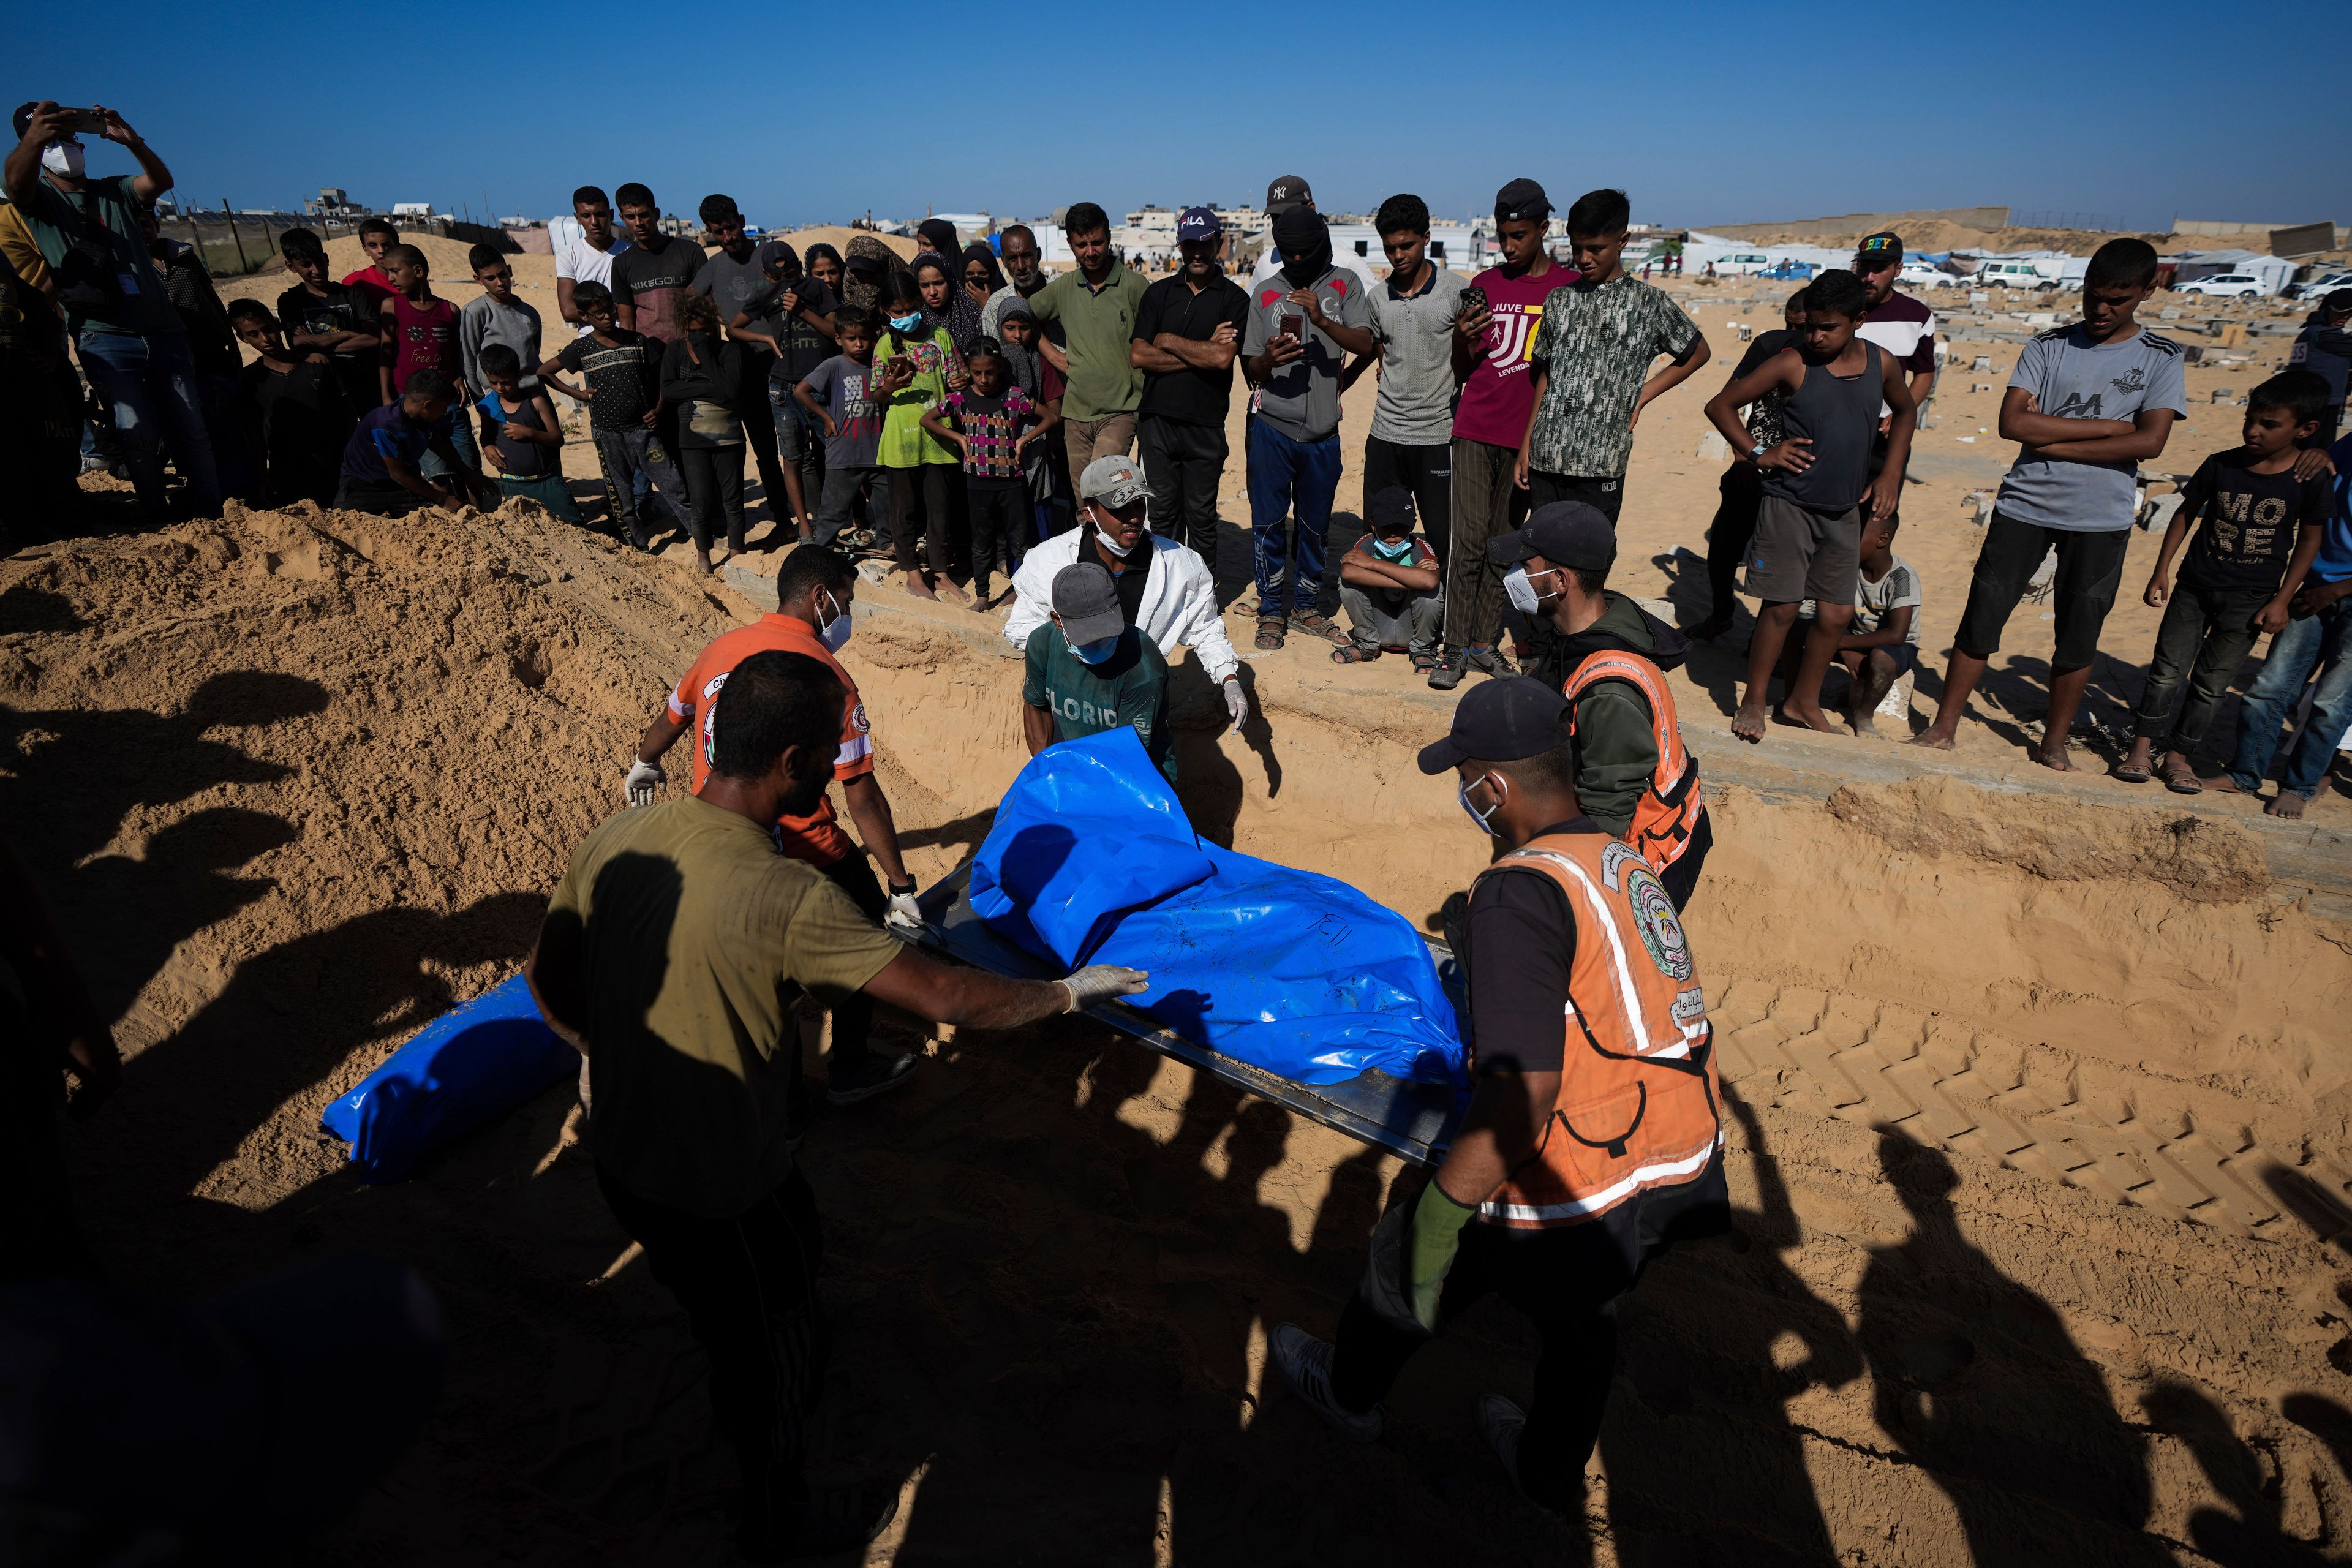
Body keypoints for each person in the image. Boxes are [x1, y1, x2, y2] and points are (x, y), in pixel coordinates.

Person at [529, 646, 1148, 1560]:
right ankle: (777, 1518)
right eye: (828, 749)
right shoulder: (787, 895)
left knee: (776, 1256)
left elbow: (551, 979)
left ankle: (759, 1346)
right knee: (763, 1360)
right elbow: (947, 999)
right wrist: (1066, 995)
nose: (836, 763)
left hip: (625, 1160)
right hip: (716, 1188)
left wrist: (604, 1057)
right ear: (789, 765)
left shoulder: (617, 838)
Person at [1271, 674, 1726, 1518]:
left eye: (1465, 776)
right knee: (1587, 1321)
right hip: (1679, 1150)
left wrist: (1446, 1208)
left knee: (1409, 1247)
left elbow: (1526, 1090)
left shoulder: (1517, 890)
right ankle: (1548, 1467)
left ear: (1494, 786)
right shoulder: (1618, 857)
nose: (1465, 794)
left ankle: (1349, 1391)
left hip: (1584, 1169)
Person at [1913, 239, 2186, 769]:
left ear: (2149, 291)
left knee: (2078, 633)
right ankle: (1945, 725)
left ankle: (2053, 742)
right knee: (1982, 616)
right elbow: (2013, 424)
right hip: (2026, 505)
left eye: (2118, 299)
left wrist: (2051, 437)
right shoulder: (2049, 346)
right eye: (2093, 296)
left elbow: (2150, 443)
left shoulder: (2161, 358)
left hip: (2101, 516)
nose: (2101, 310)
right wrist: (2112, 427)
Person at [1705, 270, 1916, 741]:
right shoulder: (1791, 363)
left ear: (1858, 320)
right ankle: (1755, 701)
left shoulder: (1880, 365)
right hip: (1788, 505)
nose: (1815, 336)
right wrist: (1761, 453)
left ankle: (1802, 701)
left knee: (1837, 614)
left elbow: (1905, 411)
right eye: (1809, 327)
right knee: (1780, 608)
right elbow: (1721, 405)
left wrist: (1890, 473)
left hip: (1843, 511)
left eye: (1828, 328)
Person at [6, 100, 221, 522]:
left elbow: (159, 181)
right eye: (55, 138)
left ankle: (212, 512)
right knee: (135, 432)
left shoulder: (114, 190)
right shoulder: (39, 201)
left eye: (71, 137)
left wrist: (132, 142)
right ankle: (157, 516)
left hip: (162, 329)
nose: (66, 146)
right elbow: (17, 185)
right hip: (103, 335)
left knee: (191, 428)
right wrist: (35, 138)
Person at [2117, 371, 2328, 791]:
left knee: (2212, 685)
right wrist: (2162, 569)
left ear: (2305, 430)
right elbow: (2185, 513)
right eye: (2250, 419)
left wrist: (2283, 600)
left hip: (2251, 598)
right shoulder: (2221, 463)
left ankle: (2179, 755)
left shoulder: (2309, 479)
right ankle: (2141, 749)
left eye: (2270, 425)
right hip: (2193, 587)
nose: (2254, 430)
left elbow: (2309, 540)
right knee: (2166, 672)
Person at [1502, 501, 1713, 907]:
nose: (1516, 577)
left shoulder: (1610, 692)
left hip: (1644, 862)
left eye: (1527, 568)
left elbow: (1607, 824)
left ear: (1559, 581)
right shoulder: (1589, 623)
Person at [1003, 454, 1252, 733]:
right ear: (1090, 512)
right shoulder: (1048, 563)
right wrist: (1073, 654)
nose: (1134, 517)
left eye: (1139, 504)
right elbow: (1023, 628)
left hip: (1139, 705)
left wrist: (1229, 678)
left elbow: (1205, 629)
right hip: (1072, 705)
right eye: (1119, 509)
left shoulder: (1183, 565)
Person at [1433, 178, 1565, 690]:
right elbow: (1462, 369)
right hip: (1474, 429)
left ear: (1542, 230)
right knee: (1465, 541)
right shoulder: (1486, 283)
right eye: (1503, 236)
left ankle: (1484, 643)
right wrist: (1461, 341)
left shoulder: (1565, 289)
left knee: (1501, 544)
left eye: (1519, 236)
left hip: (1525, 439)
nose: (1508, 247)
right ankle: (1452, 649)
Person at [1513, 189, 1709, 525]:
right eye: (1577, 249)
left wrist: (1643, 395)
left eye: (1596, 249)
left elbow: (1698, 352)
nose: (1584, 258)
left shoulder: (1648, 302)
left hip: (1602, 461)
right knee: (1544, 558)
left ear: (1623, 241)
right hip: (1546, 458)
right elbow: (1545, 373)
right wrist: (1527, 442)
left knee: (1587, 563)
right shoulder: (1560, 300)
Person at [1241, 207, 1376, 652]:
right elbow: (1249, 367)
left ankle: (1305, 606)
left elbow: (1365, 343)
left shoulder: (1346, 284)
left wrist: (1321, 320)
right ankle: (1270, 609)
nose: (1298, 261)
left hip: (1322, 433)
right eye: (1289, 254)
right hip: (1272, 429)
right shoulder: (1263, 293)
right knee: (1268, 524)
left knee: (1315, 526)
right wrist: (1269, 360)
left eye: (1306, 253)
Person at [2215, 423, 2352, 818]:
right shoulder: (2349, 445)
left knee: (2331, 704)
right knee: (2269, 688)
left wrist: (2338, 590)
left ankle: (2299, 786)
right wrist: (2322, 454)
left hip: (2333, 592)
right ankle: (2245, 773)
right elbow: (2318, 470)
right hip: (2314, 586)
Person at [1351, 194, 1467, 586]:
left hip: (1438, 436)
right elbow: (1379, 345)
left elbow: (1470, 362)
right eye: (1390, 247)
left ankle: (1440, 618)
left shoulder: (1456, 292)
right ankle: (1385, 620)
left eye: (1407, 245)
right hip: (1385, 435)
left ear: (1427, 238)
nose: (1398, 255)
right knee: (1380, 536)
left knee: (1441, 538)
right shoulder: (1377, 297)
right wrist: (1349, 377)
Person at [1130, 206, 1249, 567]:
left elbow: (1222, 360)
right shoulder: (1159, 294)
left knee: (1201, 519)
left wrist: (1167, 339)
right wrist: (1202, 348)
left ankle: (1203, 593)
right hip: (1157, 423)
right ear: (1180, 247)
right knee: (1162, 516)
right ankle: (1164, 588)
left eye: (1206, 245)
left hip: (1205, 425)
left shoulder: (1234, 299)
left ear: (1220, 245)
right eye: (1190, 246)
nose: (1198, 253)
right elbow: (1138, 356)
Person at [1690, 291, 1808, 643]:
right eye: (1790, 323)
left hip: (1800, 476)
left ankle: (1767, 637)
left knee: (1783, 561)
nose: (1795, 333)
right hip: (1753, 465)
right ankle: (1722, 614)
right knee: (1724, 548)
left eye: (1801, 326)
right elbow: (1729, 400)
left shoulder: (1833, 357)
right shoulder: (1770, 347)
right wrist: (1745, 457)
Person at [538, 279, 687, 549]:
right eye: (599, 313)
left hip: (643, 431)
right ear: (583, 316)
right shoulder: (581, 348)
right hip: (608, 435)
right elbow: (544, 372)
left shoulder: (637, 341)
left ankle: (698, 536)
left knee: (674, 484)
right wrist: (578, 395)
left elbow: (661, 378)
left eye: (610, 310)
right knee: (621, 497)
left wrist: (659, 409)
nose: (608, 317)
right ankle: (639, 547)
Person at [922, 334, 1054, 607]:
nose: (984, 379)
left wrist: (1024, 439)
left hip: (1011, 481)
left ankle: (1023, 592)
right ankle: (983, 595)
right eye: (977, 373)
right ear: (969, 371)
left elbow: (1052, 416)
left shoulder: (1014, 396)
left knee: (1020, 542)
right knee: (981, 541)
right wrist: (958, 438)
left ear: (1000, 369)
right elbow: (927, 420)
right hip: (977, 482)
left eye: (990, 372)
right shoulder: (960, 399)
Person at [136, 200, 252, 502]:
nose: (142, 231)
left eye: (146, 224)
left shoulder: (184, 256)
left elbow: (211, 297)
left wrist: (231, 342)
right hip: (174, 357)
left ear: (157, 226)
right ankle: (202, 487)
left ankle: (239, 486)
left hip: (212, 349)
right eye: (134, 226)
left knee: (227, 414)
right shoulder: (130, 266)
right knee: (193, 422)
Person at [692, 195, 794, 527]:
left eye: (732, 228)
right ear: (709, 232)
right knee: (765, 450)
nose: (728, 237)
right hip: (747, 371)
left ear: (742, 220)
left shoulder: (770, 253)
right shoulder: (713, 267)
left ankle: (816, 515)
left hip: (789, 364)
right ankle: (782, 519)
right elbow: (687, 305)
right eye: (718, 232)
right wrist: (708, 325)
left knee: (801, 448)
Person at [1022, 560, 1175, 782]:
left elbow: (1128, 752)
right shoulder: (1042, 644)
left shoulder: (1142, 663)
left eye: (1105, 634)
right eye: (1086, 638)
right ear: (1058, 621)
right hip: (1073, 764)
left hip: (1137, 776)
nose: (1097, 644)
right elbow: (1036, 706)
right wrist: (1046, 773)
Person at [728, 240, 840, 542]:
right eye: (778, 277)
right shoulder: (764, 295)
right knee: (793, 458)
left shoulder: (816, 290)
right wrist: (766, 339)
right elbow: (733, 329)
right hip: (782, 388)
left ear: (800, 269)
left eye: (791, 273)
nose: (785, 281)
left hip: (818, 385)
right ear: (766, 275)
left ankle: (835, 519)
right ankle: (805, 526)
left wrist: (803, 310)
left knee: (836, 452)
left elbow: (835, 331)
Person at [1030, 203, 1149, 473]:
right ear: (1071, 244)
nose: (1091, 251)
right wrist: (1052, 355)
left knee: (1103, 489)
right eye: (1082, 244)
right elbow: (1025, 316)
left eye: (1097, 242)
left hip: (1121, 410)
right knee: (1084, 502)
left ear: (1109, 238)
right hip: (1075, 414)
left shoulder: (1134, 285)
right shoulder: (1064, 287)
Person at [227, 298, 355, 508]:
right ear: (242, 338)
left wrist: (350, 458)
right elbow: (256, 434)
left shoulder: (316, 362)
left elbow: (348, 413)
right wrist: (261, 477)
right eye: (253, 335)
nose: (265, 338)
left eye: (268, 329)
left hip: (335, 465)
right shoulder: (250, 378)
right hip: (288, 472)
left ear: (277, 324)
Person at [376, 242, 483, 488]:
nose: (390, 278)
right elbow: (385, 354)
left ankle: (480, 515)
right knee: (437, 472)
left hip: (448, 400)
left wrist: (458, 377)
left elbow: (455, 351)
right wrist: (386, 397)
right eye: (387, 272)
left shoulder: (449, 310)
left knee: (469, 466)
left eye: (395, 271)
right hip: (412, 402)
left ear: (418, 271)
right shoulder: (392, 306)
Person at [1850, 232, 1938, 524]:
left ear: (1898, 270)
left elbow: (1924, 373)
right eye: (1864, 267)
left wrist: (1903, 412)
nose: (1870, 276)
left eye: (1879, 269)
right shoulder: (1839, 309)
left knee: (1876, 522)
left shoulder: (1918, 315)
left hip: (1886, 438)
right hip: (1834, 432)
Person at [661, 290, 748, 572]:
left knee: (733, 500)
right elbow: (668, 390)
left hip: (729, 438)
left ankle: (736, 554)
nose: (700, 337)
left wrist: (707, 357)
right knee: (700, 501)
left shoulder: (729, 351)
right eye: (693, 332)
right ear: (685, 330)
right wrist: (713, 389)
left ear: (716, 327)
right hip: (692, 440)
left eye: (706, 331)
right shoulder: (675, 351)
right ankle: (703, 555)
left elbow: (733, 390)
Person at [1814, 511, 1923, 738]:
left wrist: (1840, 643)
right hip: (1851, 637)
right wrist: (1846, 650)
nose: (1847, 540)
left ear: (1882, 540)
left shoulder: (1902, 578)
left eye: (1856, 535)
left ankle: (1864, 715)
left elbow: (1897, 635)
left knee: (1882, 659)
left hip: (1896, 647)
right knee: (1800, 631)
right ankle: (1798, 700)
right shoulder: (1848, 568)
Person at [334, 368, 491, 516]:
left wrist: (468, 473)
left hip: (404, 486)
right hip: (364, 486)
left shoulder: (425, 416)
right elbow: (397, 474)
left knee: (433, 521)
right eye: (444, 407)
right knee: (344, 523)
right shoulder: (386, 426)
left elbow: (436, 443)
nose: (445, 412)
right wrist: (443, 499)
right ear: (428, 405)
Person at [795, 306, 889, 551]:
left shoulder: (878, 365)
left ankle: (887, 546)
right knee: (833, 513)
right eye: (851, 339)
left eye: (864, 338)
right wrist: (826, 417)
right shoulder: (833, 366)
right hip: (844, 453)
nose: (859, 344)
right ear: (839, 339)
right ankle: (820, 555)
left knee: (888, 507)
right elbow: (801, 391)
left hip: (878, 451)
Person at [1332, 484, 1442, 669]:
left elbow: (1430, 581)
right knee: (1347, 584)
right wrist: (1411, 581)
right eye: (1385, 527)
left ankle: (1422, 648)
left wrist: (1372, 564)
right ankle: (1367, 645)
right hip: (1378, 625)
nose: (1393, 533)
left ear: (1412, 525)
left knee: (1433, 591)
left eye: (1400, 527)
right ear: (1373, 526)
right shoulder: (1366, 543)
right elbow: (1348, 572)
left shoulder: (1419, 546)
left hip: (1411, 627)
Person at [275, 225, 381, 417]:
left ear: (326, 259)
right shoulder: (290, 301)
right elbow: (297, 344)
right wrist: (348, 334)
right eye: (306, 265)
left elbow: (373, 338)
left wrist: (317, 345)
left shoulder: (352, 293)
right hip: (323, 387)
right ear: (291, 267)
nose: (316, 270)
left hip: (364, 383)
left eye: (319, 262)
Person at [474, 343, 576, 521]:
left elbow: (557, 438)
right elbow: (486, 436)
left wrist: (530, 433)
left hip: (547, 481)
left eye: (506, 382)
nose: (500, 387)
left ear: (519, 376)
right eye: (493, 383)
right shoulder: (488, 407)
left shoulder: (536, 402)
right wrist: (487, 447)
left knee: (571, 523)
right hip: (513, 484)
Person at [997, 299, 1068, 547]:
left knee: (1040, 518)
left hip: (1036, 452)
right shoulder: (990, 366)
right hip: (997, 452)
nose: (1017, 335)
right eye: (1010, 328)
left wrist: (1028, 431)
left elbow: (1055, 412)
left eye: (1024, 328)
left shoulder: (1041, 364)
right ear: (999, 327)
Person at [1245, 175, 1381, 296]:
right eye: (1276, 218)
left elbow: (1377, 307)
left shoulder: (1347, 262)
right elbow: (1251, 309)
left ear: (1311, 208)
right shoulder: (1267, 262)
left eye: (1289, 216)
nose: (1283, 224)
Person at [611, 184, 704, 349]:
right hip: (649, 357)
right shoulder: (621, 263)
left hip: (691, 353)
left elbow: (707, 310)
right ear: (623, 219)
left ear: (656, 214)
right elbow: (627, 323)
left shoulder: (690, 252)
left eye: (644, 215)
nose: (639, 223)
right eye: (631, 217)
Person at [459, 244, 541, 404]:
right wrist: (481, 403)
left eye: (502, 275)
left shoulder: (530, 313)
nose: (500, 282)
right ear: (479, 280)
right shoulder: (475, 312)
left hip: (535, 395)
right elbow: (468, 362)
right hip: (499, 399)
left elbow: (533, 353)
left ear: (509, 271)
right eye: (490, 278)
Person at [552, 186, 629, 336]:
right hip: (588, 342)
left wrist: (592, 310)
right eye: (586, 216)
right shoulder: (568, 255)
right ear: (577, 218)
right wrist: (621, 309)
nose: (594, 222)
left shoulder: (630, 252)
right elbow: (568, 311)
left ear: (611, 215)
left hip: (627, 337)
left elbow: (643, 305)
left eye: (600, 214)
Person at [2288, 288, 2352, 448]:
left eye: (2350, 313)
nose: (2345, 317)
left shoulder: (2325, 333)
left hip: (2322, 403)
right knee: (2310, 453)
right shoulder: (2319, 334)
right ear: (2326, 310)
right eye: (2340, 312)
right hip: (2314, 404)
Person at [979, 223, 1049, 341]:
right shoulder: (995, 305)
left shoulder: (1061, 291)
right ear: (1004, 261)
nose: (1021, 266)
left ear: (1039, 255)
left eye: (1027, 256)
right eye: (1012, 259)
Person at [342, 216, 399, 312]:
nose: (381, 250)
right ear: (365, 250)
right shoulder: (354, 282)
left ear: (397, 245)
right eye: (373, 245)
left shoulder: (411, 280)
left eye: (386, 244)